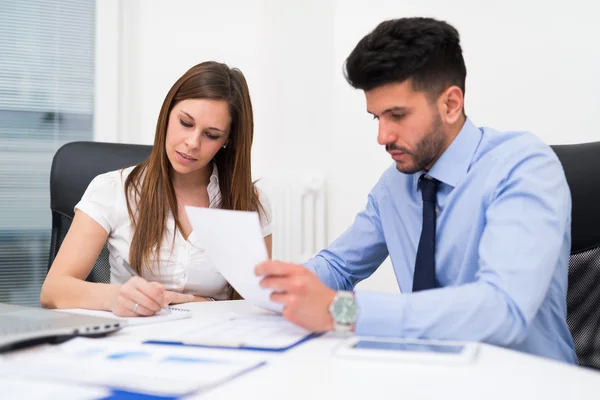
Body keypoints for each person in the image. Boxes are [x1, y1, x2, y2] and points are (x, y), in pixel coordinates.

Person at [256, 17, 577, 363]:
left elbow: (502, 310)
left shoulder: (522, 167)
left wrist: (343, 311)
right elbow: (338, 267)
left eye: (397, 115)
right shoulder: (395, 185)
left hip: (526, 383)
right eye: (376, 117)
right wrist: (283, 285)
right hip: (425, 375)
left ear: (451, 105)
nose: (383, 136)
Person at [41, 61, 272, 317]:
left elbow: (256, 302)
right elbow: (53, 292)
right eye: (185, 123)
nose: (192, 143)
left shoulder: (249, 202)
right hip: (133, 340)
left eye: (211, 135)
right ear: (167, 113)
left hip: (214, 339)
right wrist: (116, 296)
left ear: (227, 141)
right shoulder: (112, 189)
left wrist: (199, 303)